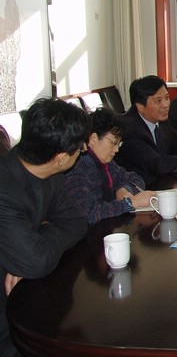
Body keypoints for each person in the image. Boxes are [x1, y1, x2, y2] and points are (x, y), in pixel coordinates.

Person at [0, 98, 90, 357]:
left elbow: (77, 222)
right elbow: (36, 261)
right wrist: (35, 245)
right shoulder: (5, 189)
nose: (84, 149)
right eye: (79, 147)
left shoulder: (50, 175)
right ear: (60, 158)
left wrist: (39, 235)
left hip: (29, 293)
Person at [64, 107, 156, 224]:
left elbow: (135, 178)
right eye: (113, 143)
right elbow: (89, 214)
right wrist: (130, 203)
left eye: (119, 144)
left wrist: (124, 190)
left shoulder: (106, 163)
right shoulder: (76, 170)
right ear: (93, 139)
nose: (116, 149)